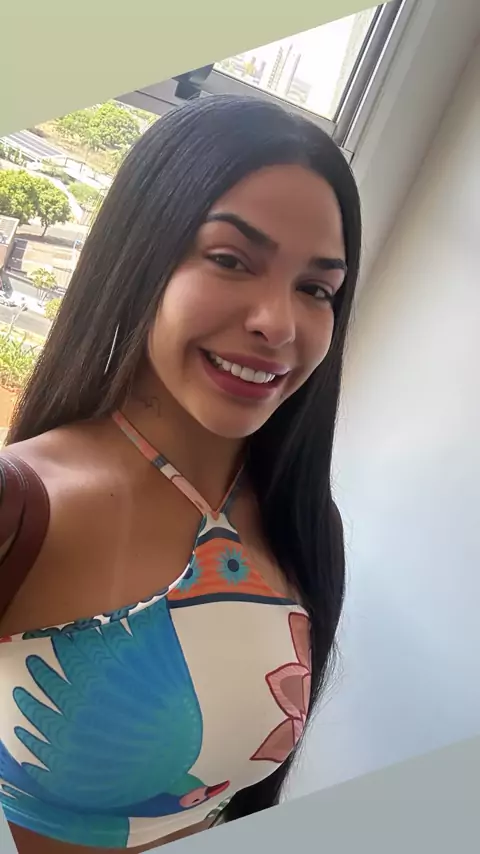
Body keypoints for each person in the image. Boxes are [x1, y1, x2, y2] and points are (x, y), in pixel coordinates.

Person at [0, 94, 361, 853]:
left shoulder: (302, 521)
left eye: (315, 289)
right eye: (230, 260)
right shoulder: (22, 505)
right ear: (142, 256)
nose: (278, 324)